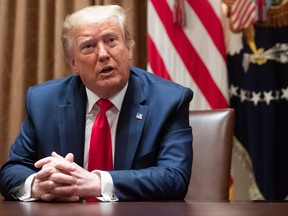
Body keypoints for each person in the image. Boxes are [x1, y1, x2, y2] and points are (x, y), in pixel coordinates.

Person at [0, 5, 193, 202]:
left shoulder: (169, 101)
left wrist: (95, 182)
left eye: (111, 40)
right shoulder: (43, 101)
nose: (103, 54)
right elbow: (11, 171)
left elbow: (174, 178)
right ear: (73, 63)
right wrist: (38, 185)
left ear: (129, 49)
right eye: (88, 46)